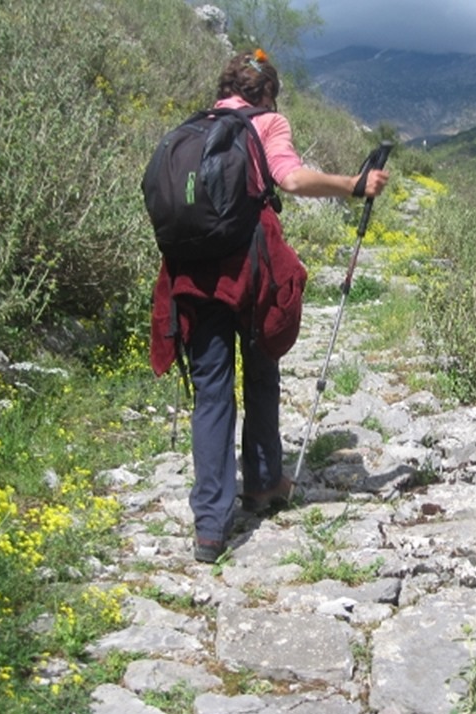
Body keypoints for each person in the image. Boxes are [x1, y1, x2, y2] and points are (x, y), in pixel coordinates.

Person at [149, 49, 390, 564]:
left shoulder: (193, 128)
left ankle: (210, 528)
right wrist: (354, 185)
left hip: (192, 276)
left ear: (224, 88)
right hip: (247, 272)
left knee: (211, 394)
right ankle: (261, 482)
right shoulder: (266, 122)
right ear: (268, 92)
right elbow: (292, 179)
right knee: (260, 371)